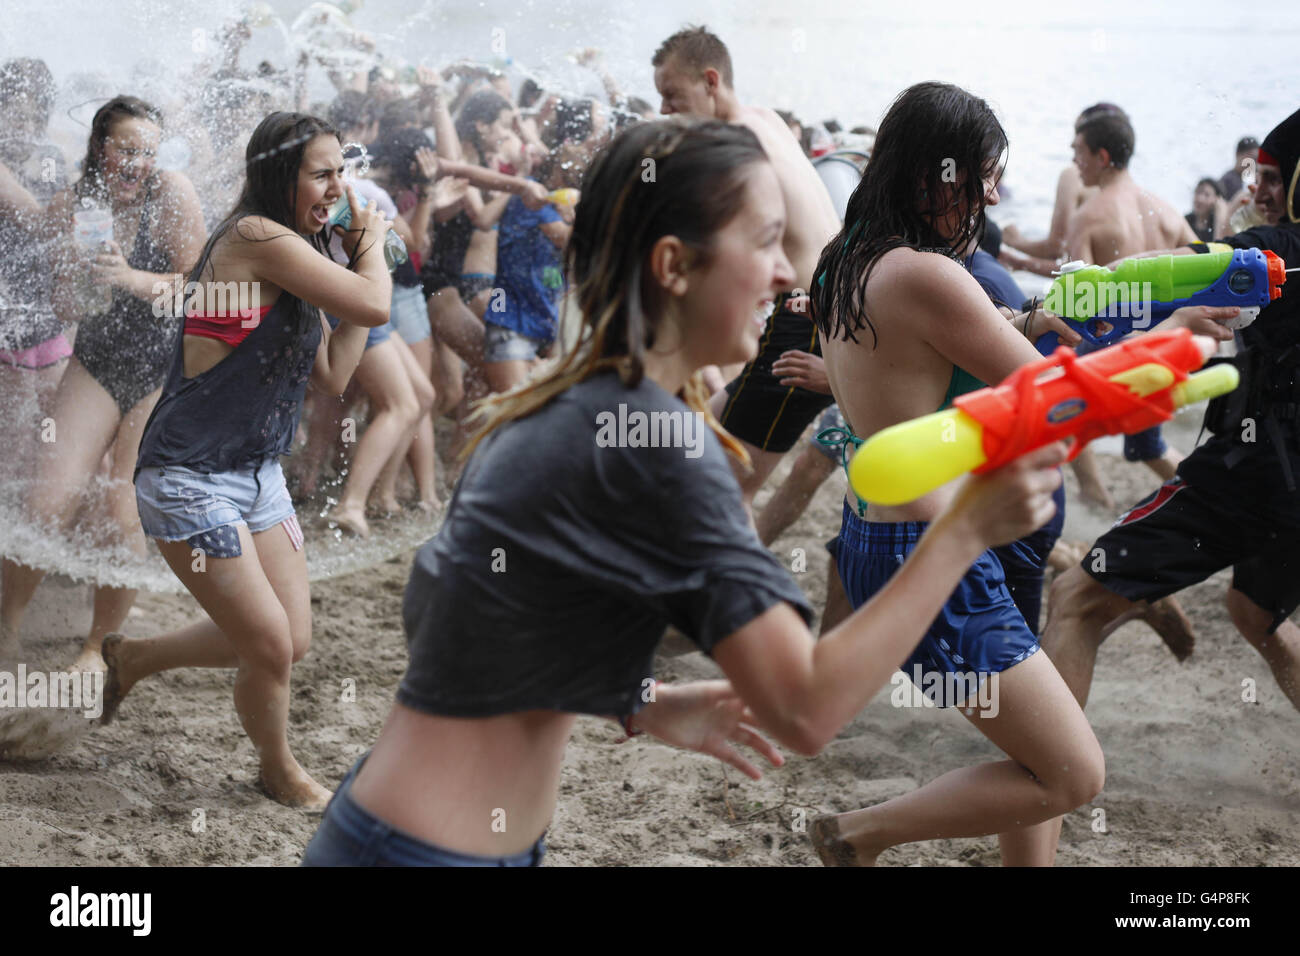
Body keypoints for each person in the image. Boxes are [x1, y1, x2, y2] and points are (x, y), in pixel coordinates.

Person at [299, 117, 1068, 867]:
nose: (781, 273)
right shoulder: (663, 448)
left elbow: (449, 613)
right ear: (673, 266)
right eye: (765, 242)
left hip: (387, 823)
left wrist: (639, 700)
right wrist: (962, 532)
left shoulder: (548, 405)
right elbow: (804, 710)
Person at [808, 82, 1230, 867]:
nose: (993, 194)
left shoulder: (848, 258)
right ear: (943, 176)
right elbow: (1059, 398)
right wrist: (1172, 326)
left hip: (881, 532)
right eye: (985, 175)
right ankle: (857, 835)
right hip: (931, 552)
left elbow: (912, 357)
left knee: (1046, 760)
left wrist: (1027, 317)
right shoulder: (927, 276)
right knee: (1074, 772)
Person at [97, 111, 394, 808]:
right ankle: (277, 770)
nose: (336, 187)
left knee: (291, 640)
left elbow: (329, 373)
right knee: (266, 647)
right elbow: (378, 304)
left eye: (340, 172)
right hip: (186, 477)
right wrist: (370, 244)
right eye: (321, 174)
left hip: (257, 477)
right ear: (277, 176)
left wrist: (349, 269)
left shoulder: (299, 249)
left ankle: (133, 656)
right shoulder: (257, 238)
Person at [1044, 107, 1300, 726]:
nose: (1254, 188)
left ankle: (1041, 780)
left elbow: (1172, 276)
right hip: (1288, 486)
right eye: (1255, 173)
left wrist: (1067, 298)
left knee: (1074, 598)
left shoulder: (1276, 250)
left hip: (1254, 474)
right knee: (1252, 612)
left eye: (1272, 177)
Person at [0, 95, 206, 669]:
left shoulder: (173, 193)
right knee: (47, 501)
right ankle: (7, 626)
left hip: (162, 369)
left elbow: (197, 289)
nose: (138, 163)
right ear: (100, 149)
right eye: (126, 150)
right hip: (95, 362)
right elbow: (69, 306)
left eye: (147, 152)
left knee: (122, 512)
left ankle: (98, 647)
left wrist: (130, 276)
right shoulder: (75, 202)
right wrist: (73, 269)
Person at [652, 26, 840, 513]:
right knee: (687, 443)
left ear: (711, 81)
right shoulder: (766, 120)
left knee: (731, 489)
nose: (665, 111)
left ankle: (723, 582)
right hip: (820, 309)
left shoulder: (733, 143)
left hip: (808, 325)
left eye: (673, 95)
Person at [1066, 103, 1199, 484]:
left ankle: (1092, 498)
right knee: (1147, 446)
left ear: (1102, 156)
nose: (1074, 162)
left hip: (1119, 356)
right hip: (1169, 348)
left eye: (1078, 151)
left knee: (1057, 410)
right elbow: (1206, 272)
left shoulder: (1088, 218)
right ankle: (1197, 493)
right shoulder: (1167, 211)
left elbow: (1078, 309)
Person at [1219, 135, 1259, 202]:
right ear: (1238, 154)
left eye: (1257, 159)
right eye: (1253, 158)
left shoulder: (1255, 180)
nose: (1255, 163)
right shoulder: (1226, 181)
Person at [1185, 177, 1223, 242]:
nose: (1200, 199)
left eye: (1207, 195)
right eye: (1198, 192)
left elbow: (1220, 246)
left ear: (1217, 199)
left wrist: (1220, 212)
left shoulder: (1218, 224)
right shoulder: (1186, 221)